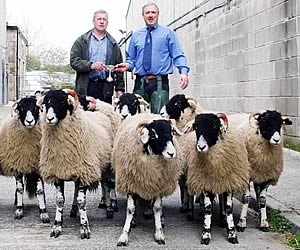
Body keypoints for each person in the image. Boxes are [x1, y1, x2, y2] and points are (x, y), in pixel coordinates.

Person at [115, 3, 189, 114]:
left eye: (153, 12)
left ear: (158, 15)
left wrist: (183, 72)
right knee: (136, 117)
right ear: (143, 15)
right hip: (140, 82)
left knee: (159, 117)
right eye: (147, 13)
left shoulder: (168, 34)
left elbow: (178, 55)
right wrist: (128, 65)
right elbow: (131, 59)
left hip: (159, 82)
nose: (150, 15)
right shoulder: (136, 36)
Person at [70, 9, 125, 104]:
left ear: (107, 22)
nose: (101, 21)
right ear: (93, 21)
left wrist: (120, 90)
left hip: (105, 88)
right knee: (85, 117)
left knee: (104, 117)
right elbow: (73, 61)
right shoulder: (81, 41)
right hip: (86, 87)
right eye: (99, 19)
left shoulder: (113, 44)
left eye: (104, 19)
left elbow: (118, 69)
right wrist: (90, 65)